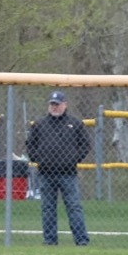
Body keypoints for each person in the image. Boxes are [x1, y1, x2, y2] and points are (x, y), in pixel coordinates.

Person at [25, 91, 90, 246]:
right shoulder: (40, 124)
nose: (54, 107)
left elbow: (85, 145)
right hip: (46, 174)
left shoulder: (74, 124)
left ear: (65, 105)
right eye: (52, 104)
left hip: (68, 174)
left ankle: (81, 240)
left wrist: (73, 159)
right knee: (48, 208)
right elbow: (30, 145)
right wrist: (39, 159)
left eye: (57, 104)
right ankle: (50, 240)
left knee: (74, 207)